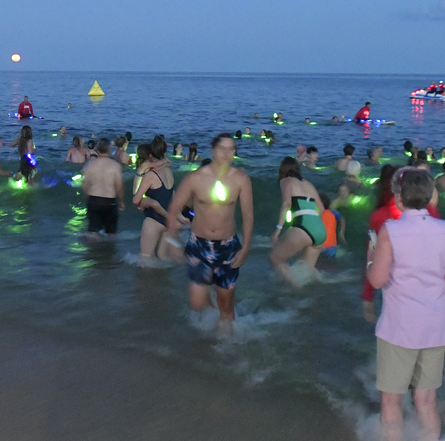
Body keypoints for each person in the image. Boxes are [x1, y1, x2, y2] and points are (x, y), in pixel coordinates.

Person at [364, 168, 445, 441]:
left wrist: (371, 254)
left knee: (391, 403)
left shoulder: (391, 231)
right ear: (430, 196)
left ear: (398, 196)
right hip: (436, 326)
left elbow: (378, 278)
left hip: (399, 329)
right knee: (426, 400)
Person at [167, 134, 254, 335]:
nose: (226, 153)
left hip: (228, 246)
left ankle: (226, 347)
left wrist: (246, 247)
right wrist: (172, 240)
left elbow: (248, 216)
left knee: (226, 304)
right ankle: (212, 311)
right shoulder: (195, 178)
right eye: (222, 148)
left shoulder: (241, 179)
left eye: (231, 149)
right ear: (213, 150)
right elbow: (174, 210)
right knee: (197, 304)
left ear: (234, 152)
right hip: (199, 246)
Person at [269, 157, 326, 284]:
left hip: (303, 225)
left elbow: (286, 204)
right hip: (320, 229)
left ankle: (296, 289)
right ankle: (307, 297)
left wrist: (278, 230)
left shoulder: (285, 181)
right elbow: (321, 209)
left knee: (275, 258)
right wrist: (313, 225)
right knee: (305, 270)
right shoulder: (308, 183)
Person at [132, 138, 174, 258]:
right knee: (162, 258)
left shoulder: (151, 174)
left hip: (154, 220)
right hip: (166, 221)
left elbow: (135, 200)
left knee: (145, 258)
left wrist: (141, 203)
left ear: (150, 155)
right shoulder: (168, 170)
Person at [81, 137, 125, 236]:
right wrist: (121, 202)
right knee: (111, 233)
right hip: (109, 202)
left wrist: (88, 198)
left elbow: (84, 185)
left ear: (97, 149)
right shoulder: (115, 165)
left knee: (93, 232)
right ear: (109, 150)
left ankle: (92, 251)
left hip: (94, 200)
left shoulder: (90, 165)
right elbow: (119, 186)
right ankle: (109, 250)